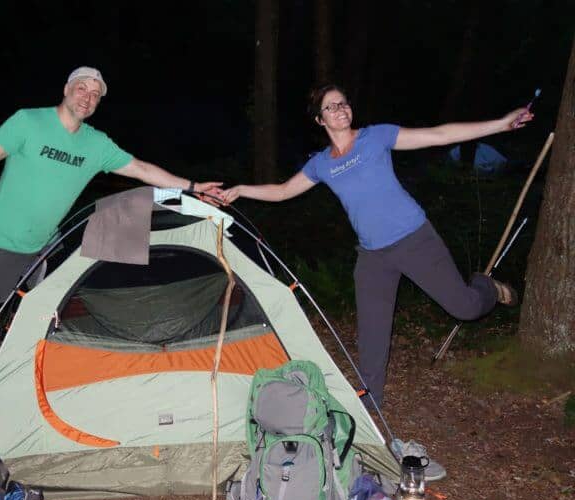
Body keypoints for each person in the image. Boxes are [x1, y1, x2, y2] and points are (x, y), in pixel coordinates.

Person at [221, 84, 533, 411]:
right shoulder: (322, 164)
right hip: (373, 256)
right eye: (331, 107)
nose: (341, 109)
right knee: (371, 337)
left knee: (466, 308)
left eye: (343, 103)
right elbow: (284, 191)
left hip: (414, 239)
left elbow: (439, 134)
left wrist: (501, 123)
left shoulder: (376, 137)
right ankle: (371, 409)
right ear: (319, 119)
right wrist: (242, 189)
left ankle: (486, 286)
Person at [0, 66, 222, 366]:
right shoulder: (28, 122)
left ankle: (17, 375)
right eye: (82, 88)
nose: (87, 98)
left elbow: (141, 169)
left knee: (38, 317)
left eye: (95, 94)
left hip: (45, 245)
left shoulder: (97, 144)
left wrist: (192, 187)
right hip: (1, 238)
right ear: (66, 89)